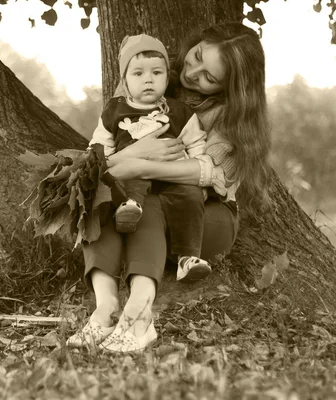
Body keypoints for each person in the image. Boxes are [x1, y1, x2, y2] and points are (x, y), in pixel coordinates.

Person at [67, 22, 271, 353]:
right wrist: (133, 155)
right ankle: (104, 310)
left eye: (210, 78)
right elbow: (100, 159)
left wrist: (139, 165)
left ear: (229, 86)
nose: (193, 73)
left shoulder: (233, 115)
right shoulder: (153, 72)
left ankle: (140, 317)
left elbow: (208, 174)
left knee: (149, 204)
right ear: (198, 40)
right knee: (100, 202)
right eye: (197, 57)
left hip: (206, 215)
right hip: (143, 201)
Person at [88, 33, 212, 282]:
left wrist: (199, 175)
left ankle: (187, 258)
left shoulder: (179, 112)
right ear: (124, 80)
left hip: (173, 177)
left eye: (157, 73)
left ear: (167, 78)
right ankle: (129, 209)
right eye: (138, 74)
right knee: (128, 179)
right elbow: (98, 149)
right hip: (133, 177)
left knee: (191, 198)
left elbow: (197, 143)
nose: (148, 80)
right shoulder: (114, 110)